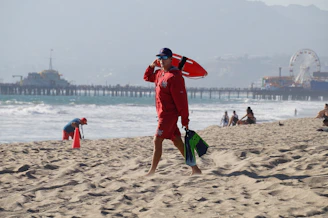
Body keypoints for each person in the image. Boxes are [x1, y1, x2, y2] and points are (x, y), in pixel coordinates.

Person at [143, 47, 202, 176]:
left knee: (157, 140)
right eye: (159, 58)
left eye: (164, 58)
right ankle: (195, 169)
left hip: (169, 116)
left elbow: (182, 101)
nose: (161, 60)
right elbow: (147, 77)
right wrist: (151, 66)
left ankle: (151, 172)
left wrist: (185, 119)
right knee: (177, 142)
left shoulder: (175, 77)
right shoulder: (159, 74)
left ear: (171, 59)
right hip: (162, 114)